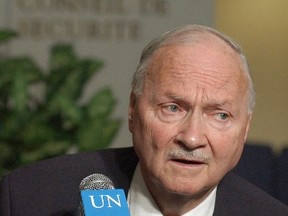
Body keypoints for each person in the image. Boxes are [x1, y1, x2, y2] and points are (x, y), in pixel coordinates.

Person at [0, 24, 288, 216]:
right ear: (133, 109)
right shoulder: (30, 199)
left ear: (245, 128)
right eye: (173, 108)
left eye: (221, 115)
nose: (192, 138)